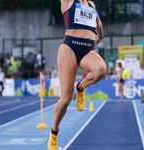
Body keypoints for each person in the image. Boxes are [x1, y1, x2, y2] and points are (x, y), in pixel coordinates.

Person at [47, 0, 106, 150]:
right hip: (70, 48)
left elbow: (98, 21)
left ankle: (80, 88)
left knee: (101, 69)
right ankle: (54, 131)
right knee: (66, 99)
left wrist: (100, 35)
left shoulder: (92, 4)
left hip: (88, 50)